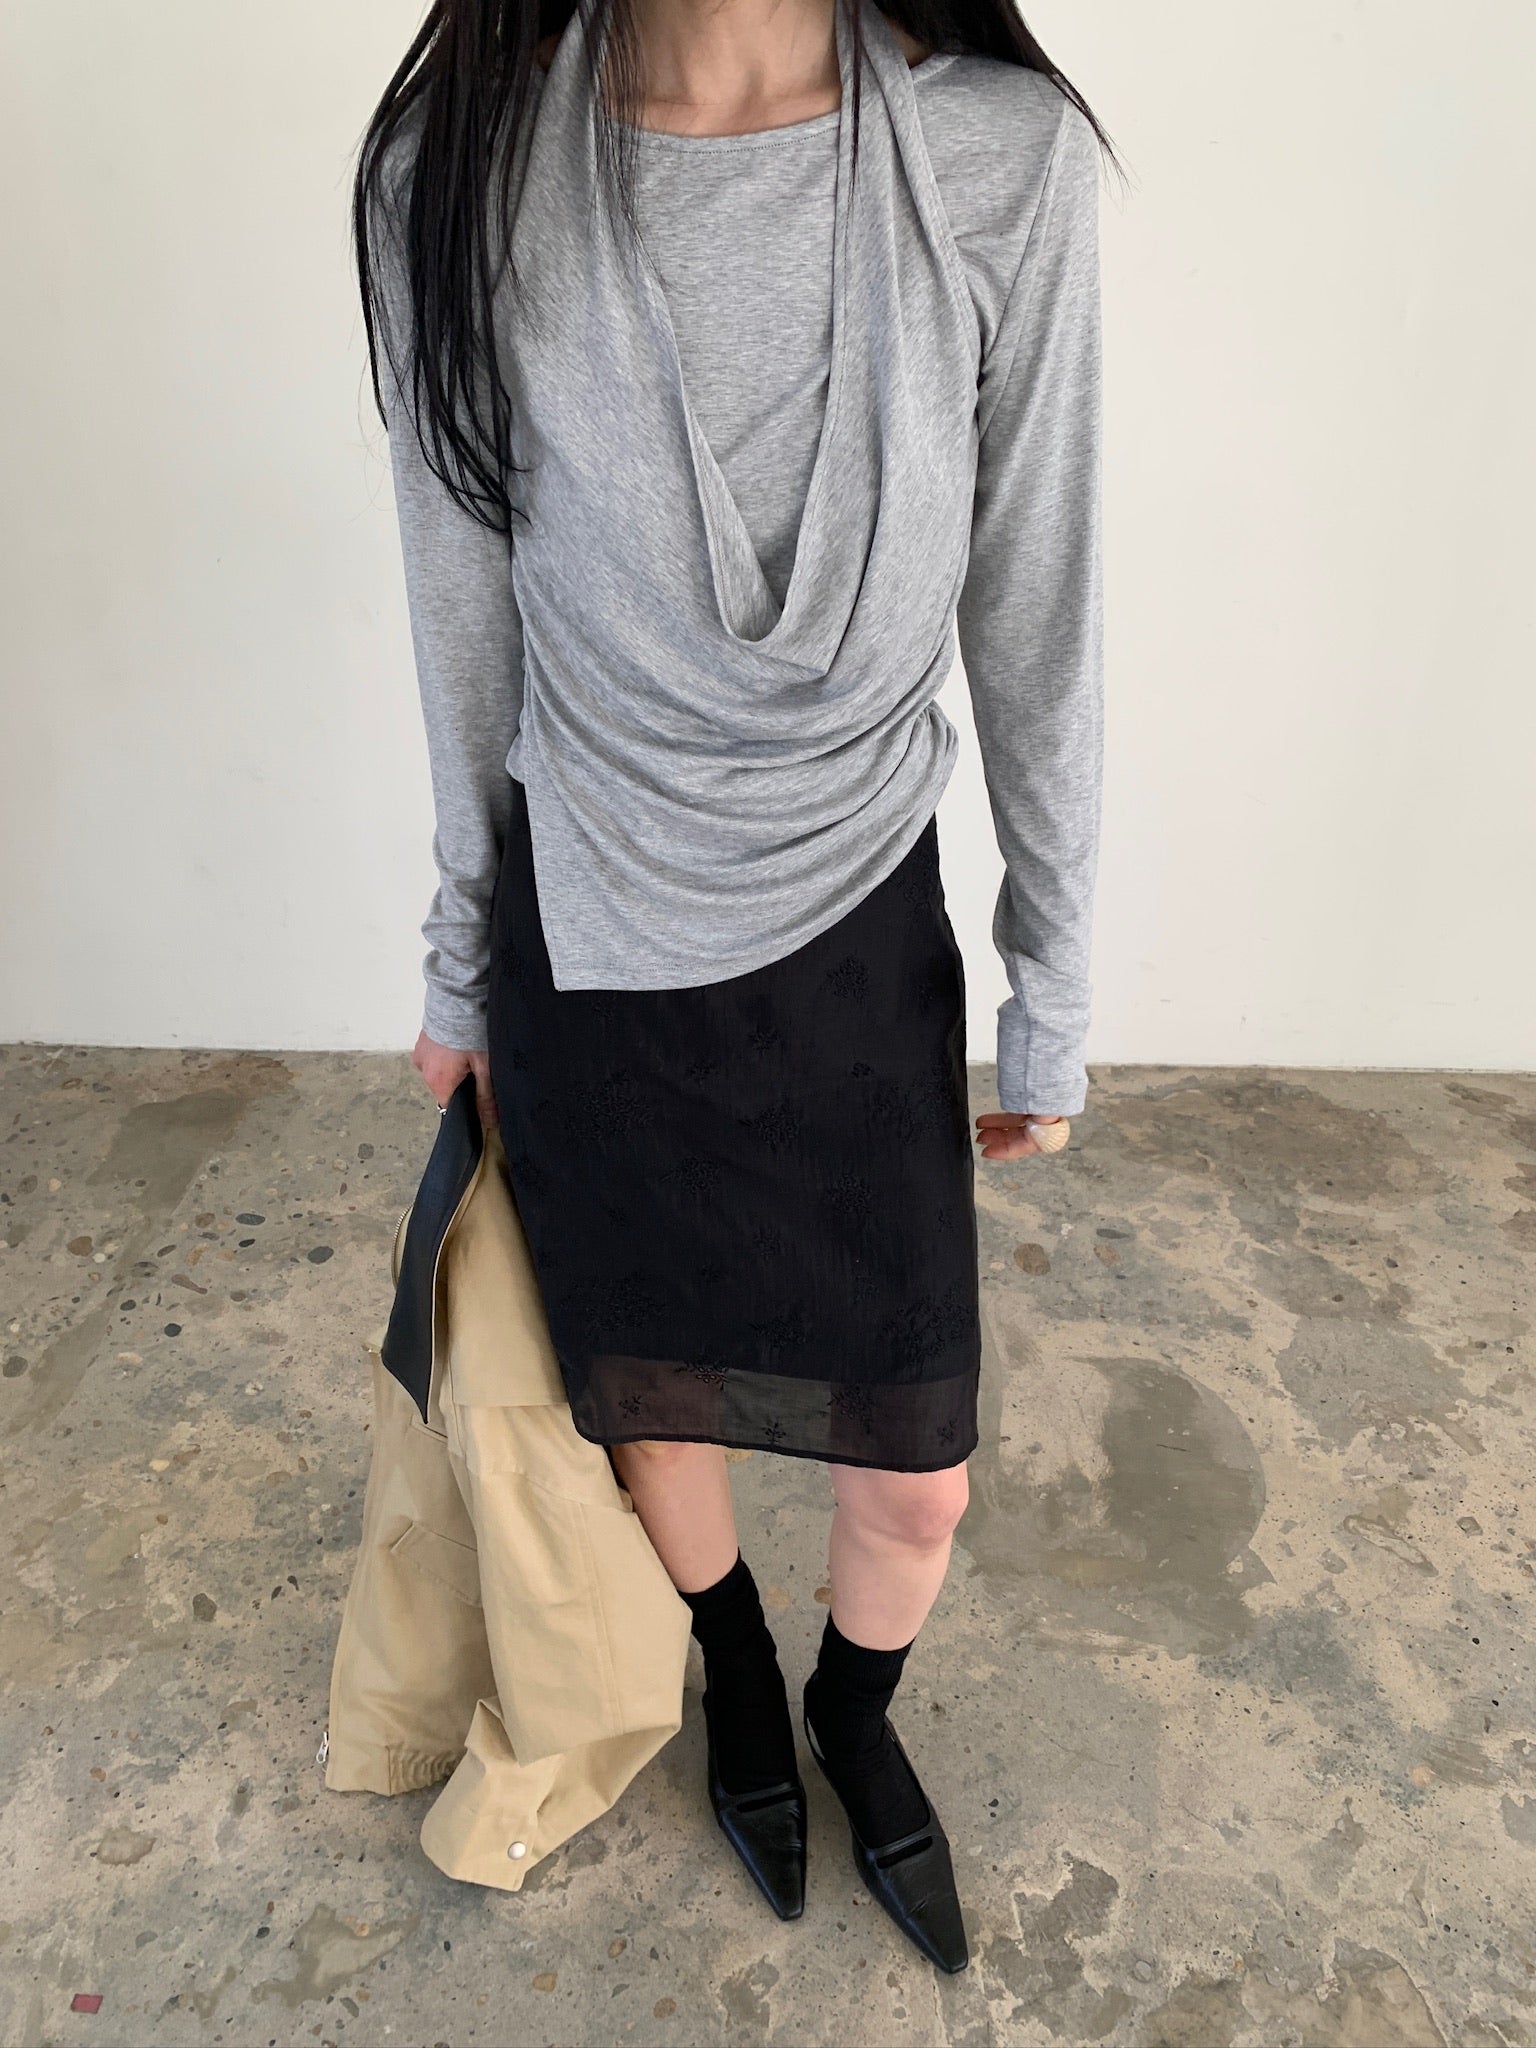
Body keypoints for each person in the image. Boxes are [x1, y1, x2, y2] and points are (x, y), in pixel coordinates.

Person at [354, 0, 1115, 1975]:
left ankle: (856, 1712)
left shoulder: (1000, 163)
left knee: (916, 1477)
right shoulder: (456, 172)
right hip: (590, 930)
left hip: (856, 929)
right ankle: (739, 1668)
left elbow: (1039, 603)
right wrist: (458, 962)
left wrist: (1053, 981)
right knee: (653, 1386)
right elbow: (461, 621)